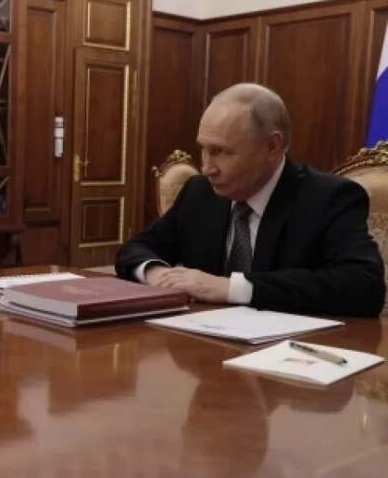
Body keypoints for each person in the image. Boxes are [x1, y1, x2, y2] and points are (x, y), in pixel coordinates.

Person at [116, 82, 385, 317]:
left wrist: (231, 288)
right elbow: (135, 249)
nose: (207, 168)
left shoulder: (328, 198)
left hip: (289, 352)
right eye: (203, 149)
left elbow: (365, 287)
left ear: (272, 147)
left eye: (221, 151)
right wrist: (158, 274)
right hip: (204, 346)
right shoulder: (200, 193)